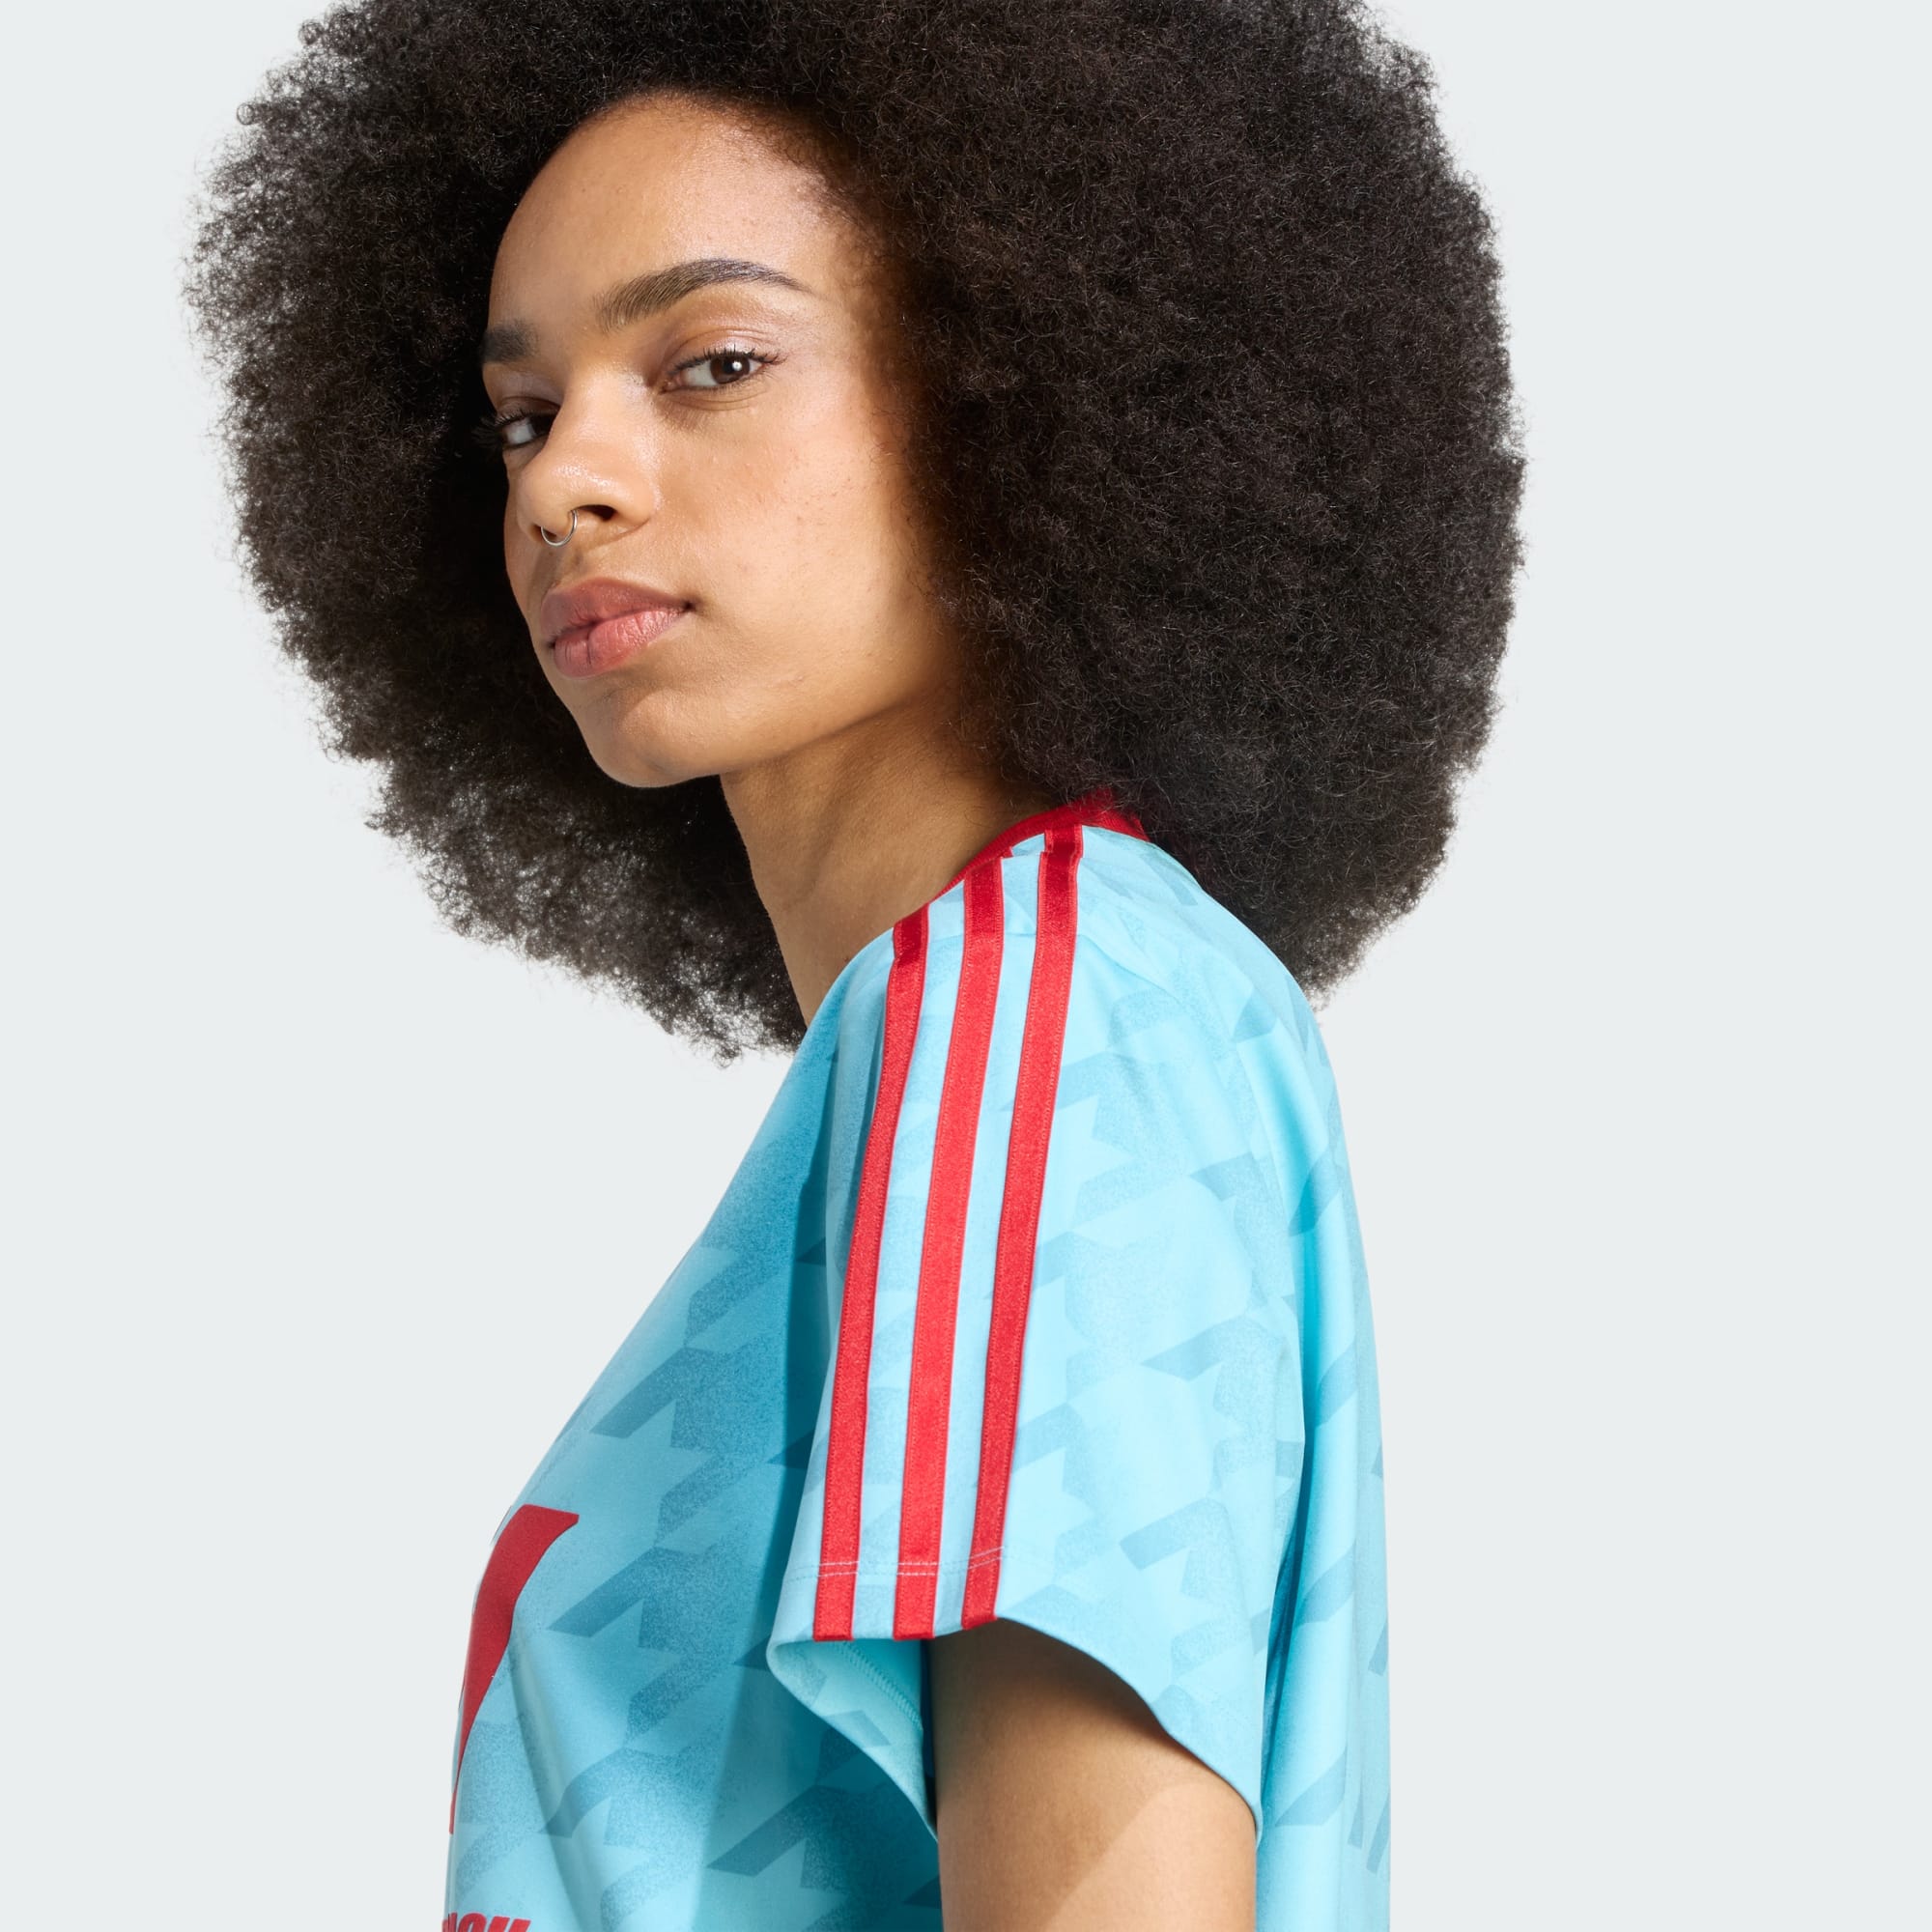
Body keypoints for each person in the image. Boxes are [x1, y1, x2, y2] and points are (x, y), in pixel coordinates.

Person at [184, 3, 1522, 1926]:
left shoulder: (1038, 1010)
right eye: (524, 414)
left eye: (712, 363)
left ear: (1018, 393)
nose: (564, 484)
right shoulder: (1024, 1011)